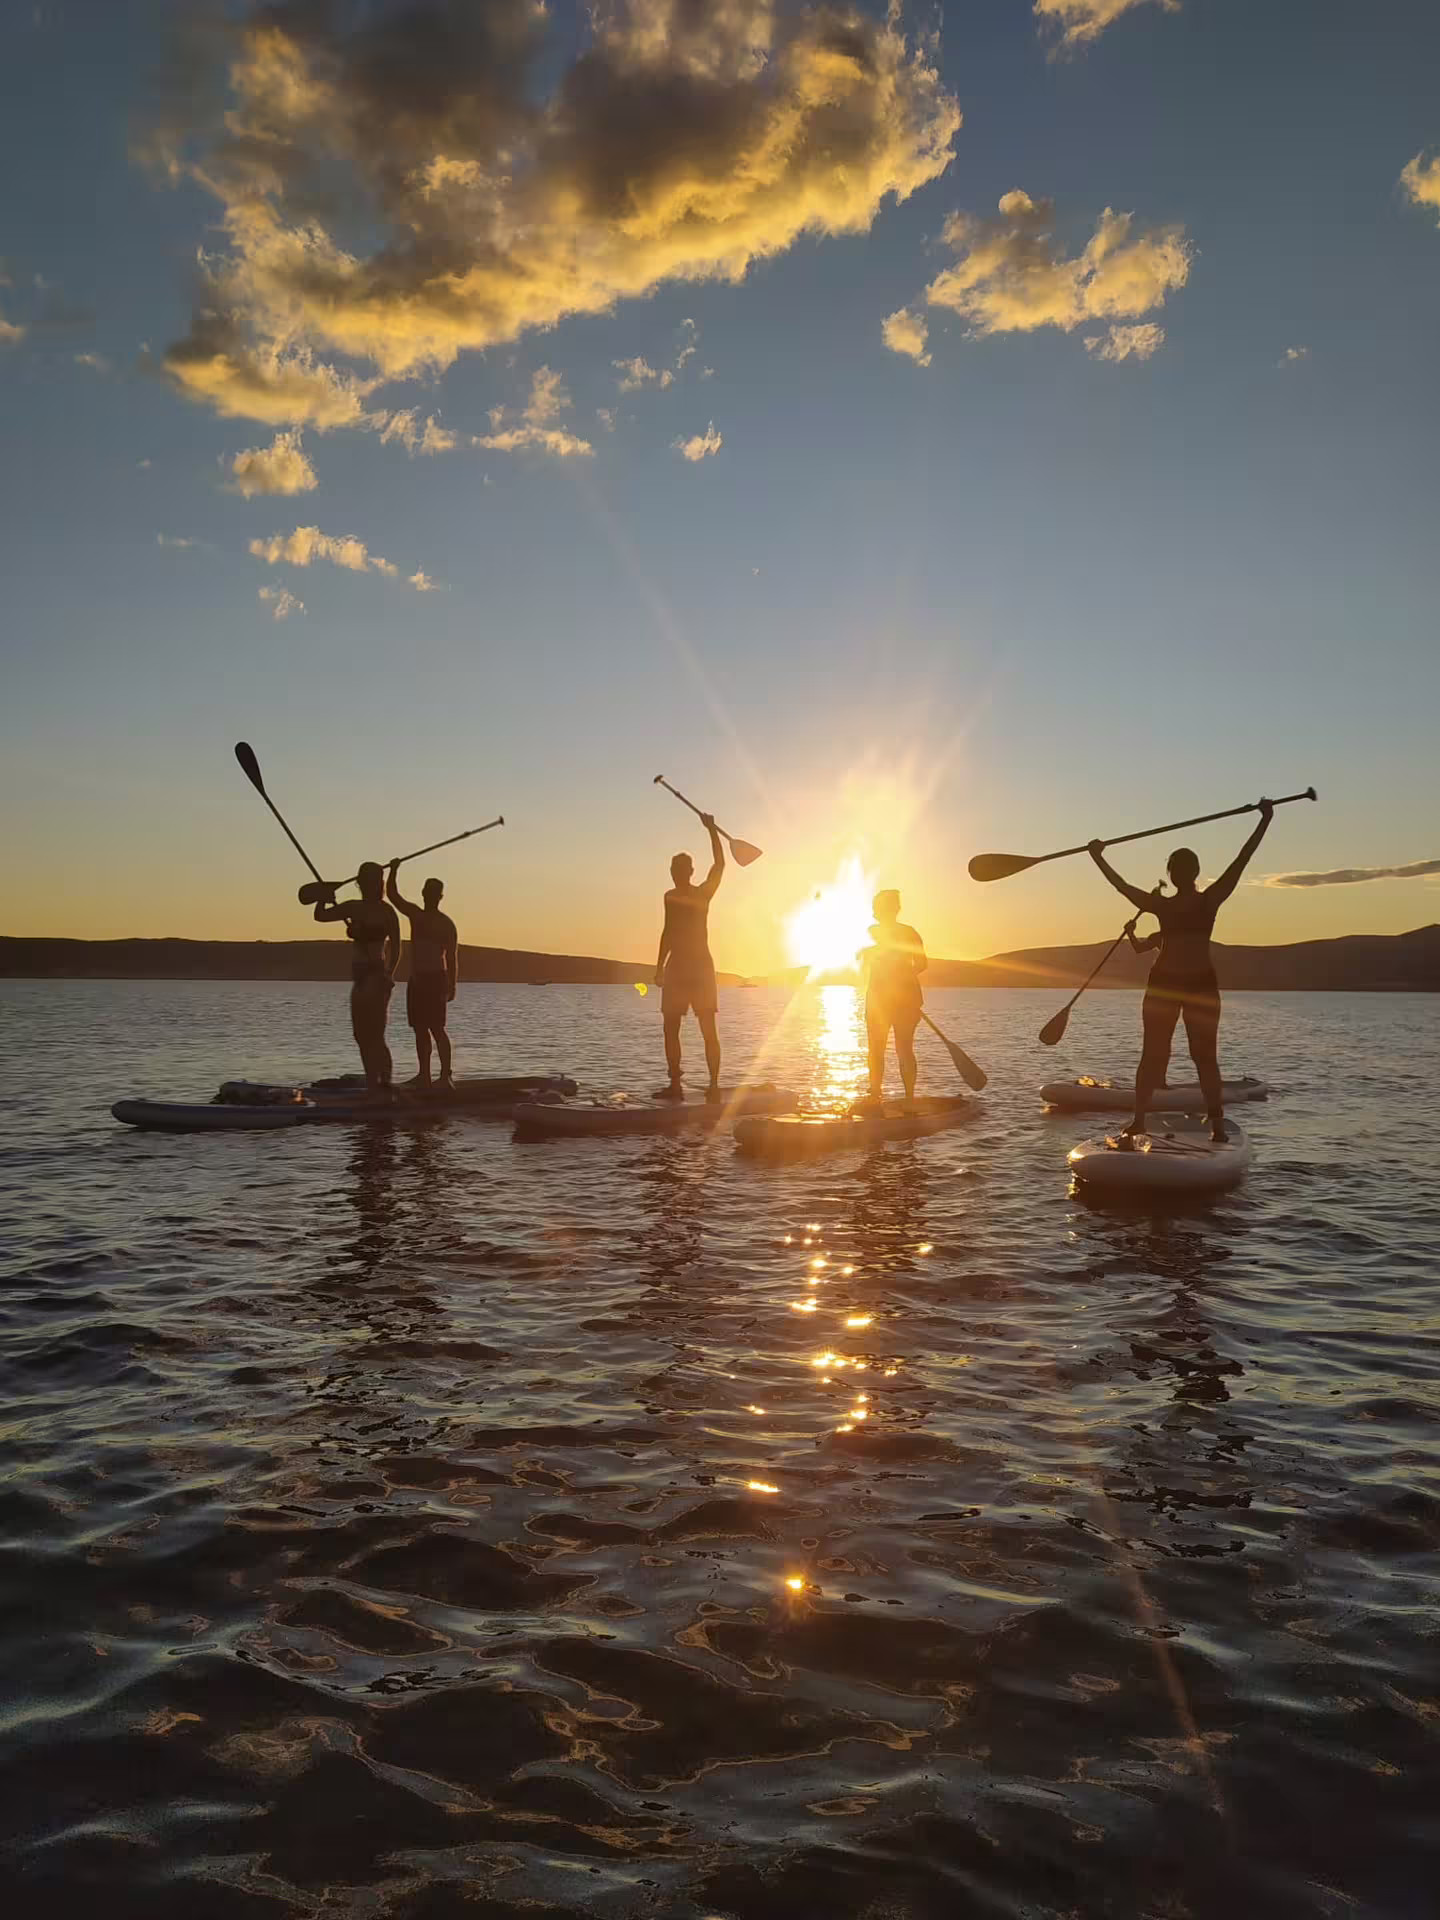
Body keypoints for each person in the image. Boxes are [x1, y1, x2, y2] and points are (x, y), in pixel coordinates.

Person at [1088, 799, 1275, 1142]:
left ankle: (1152, 1121)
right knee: (1190, 1056)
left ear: (1176, 874)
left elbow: (1121, 885)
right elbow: (1241, 860)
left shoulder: (1192, 902)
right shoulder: (1195, 901)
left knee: (1171, 1055)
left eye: (1175, 867)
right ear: (1186, 873)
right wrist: (1264, 820)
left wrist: (1098, 856)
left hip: (1184, 985)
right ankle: (1190, 1124)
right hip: (1178, 984)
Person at [312, 861, 402, 1099]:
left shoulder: (386, 911)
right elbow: (320, 916)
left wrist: (389, 974)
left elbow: (396, 946)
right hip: (359, 976)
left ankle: (384, 1084)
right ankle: (374, 1083)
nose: (369, 886)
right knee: (361, 1035)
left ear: (377, 883)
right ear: (361, 883)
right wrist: (324, 895)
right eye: (366, 882)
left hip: (376, 974)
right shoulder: (353, 907)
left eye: (373, 882)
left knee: (375, 1034)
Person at [655, 814, 724, 1099]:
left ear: (690, 871)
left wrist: (712, 831)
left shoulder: (703, 894)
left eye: (680, 868)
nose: (676, 872)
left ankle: (714, 1086)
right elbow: (667, 931)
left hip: (700, 970)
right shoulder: (669, 896)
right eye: (673, 868)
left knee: (707, 1027)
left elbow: (719, 865)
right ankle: (675, 1084)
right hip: (677, 969)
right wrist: (658, 967)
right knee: (670, 1028)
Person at [386, 861, 459, 1091]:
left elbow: (453, 958)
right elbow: (393, 896)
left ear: (440, 896)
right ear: (424, 894)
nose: (430, 896)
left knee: (436, 1028)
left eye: (434, 894)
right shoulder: (416, 915)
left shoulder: (446, 924)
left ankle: (445, 1076)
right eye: (428, 893)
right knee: (419, 1028)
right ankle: (424, 1075)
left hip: (436, 979)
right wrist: (394, 871)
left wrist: (452, 985)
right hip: (417, 981)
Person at [860, 889, 927, 1107]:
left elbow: (922, 963)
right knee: (876, 1048)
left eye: (880, 907)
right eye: (875, 907)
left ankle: (909, 1098)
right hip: (878, 999)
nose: (876, 912)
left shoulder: (908, 933)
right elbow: (885, 948)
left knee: (903, 1047)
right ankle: (875, 1095)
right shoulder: (873, 931)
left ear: (895, 909)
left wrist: (902, 978)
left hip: (905, 999)